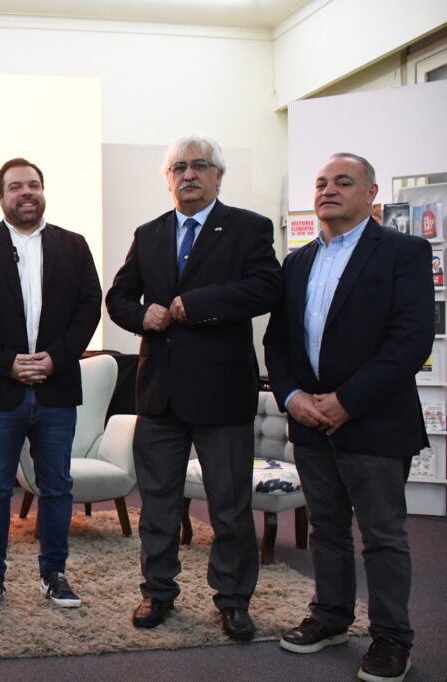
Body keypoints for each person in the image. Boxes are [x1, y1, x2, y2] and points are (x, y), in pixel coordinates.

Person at [105, 134, 281, 640]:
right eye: (179, 167)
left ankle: (233, 600)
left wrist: (197, 305)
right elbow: (118, 297)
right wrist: (142, 315)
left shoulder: (248, 228)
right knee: (158, 505)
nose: (188, 174)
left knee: (229, 508)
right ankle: (157, 592)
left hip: (222, 395)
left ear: (218, 176)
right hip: (159, 395)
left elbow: (267, 288)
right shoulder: (149, 233)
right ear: (168, 179)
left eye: (200, 165)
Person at [264, 153, 431, 682]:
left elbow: (411, 341)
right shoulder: (297, 263)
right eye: (321, 183)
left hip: (374, 421)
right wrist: (292, 396)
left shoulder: (403, 252)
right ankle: (331, 617)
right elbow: (278, 341)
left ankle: (391, 639)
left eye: (343, 182)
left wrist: (347, 400)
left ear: (371, 193)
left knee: (382, 535)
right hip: (310, 421)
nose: (328, 190)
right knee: (327, 528)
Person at [0, 158, 102, 611]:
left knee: (57, 486)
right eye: (16, 187)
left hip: (56, 388)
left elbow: (89, 307)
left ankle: (54, 574)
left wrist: (56, 359)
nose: (27, 192)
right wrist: (6, 363)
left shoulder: (73, 245)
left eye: (34, 184)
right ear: (0, 196)